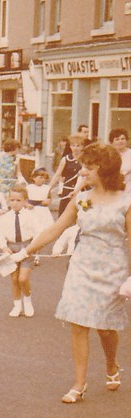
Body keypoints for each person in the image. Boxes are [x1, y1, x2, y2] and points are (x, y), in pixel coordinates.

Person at [9, 143, 129, 402]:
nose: (82, 170)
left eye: (88, 166)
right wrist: (26, 251)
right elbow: (57, 228)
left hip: (112, 269)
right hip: (82, 265)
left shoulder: (126, 201)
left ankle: (111, 364)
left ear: (104, 168)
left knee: (105, 328)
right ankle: (79, 383)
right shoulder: (82, 198)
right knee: (78, 324)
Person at [0, 185, 43, 318]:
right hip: (11, 249)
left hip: (26, 248)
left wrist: (32, 248)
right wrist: (4, 247)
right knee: (14, 279)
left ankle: (27, 301)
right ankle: (17, 305)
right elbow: (0, 234)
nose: (15, 203)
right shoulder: (5, 217)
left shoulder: (31, 216)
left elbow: (39, 233)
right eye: (12, 200)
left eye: (18, 200)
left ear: (25, 201)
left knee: (23, 278)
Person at [49, 133, 86, 215]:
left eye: (78, 146)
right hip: (67, 191)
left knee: (82, 213)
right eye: (73, 145)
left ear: (82, 147)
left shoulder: (85, 160)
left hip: (82, 191)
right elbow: (57, 175)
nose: (75, 148)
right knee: (64, 214)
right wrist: (48, 188)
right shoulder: (66, 159)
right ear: (70, 146)